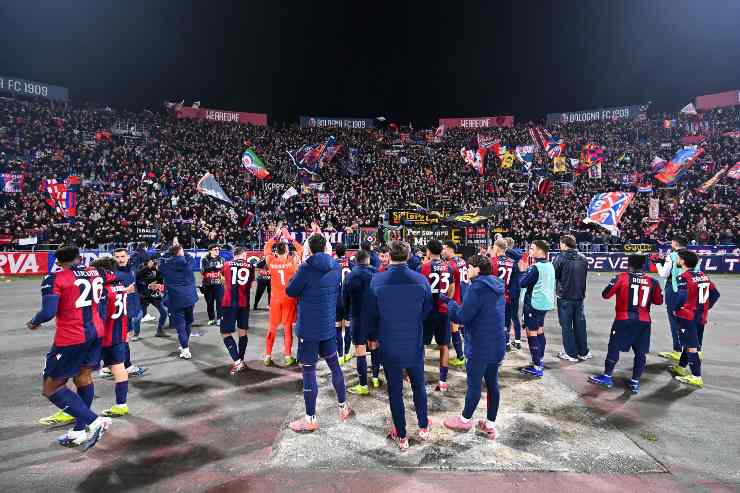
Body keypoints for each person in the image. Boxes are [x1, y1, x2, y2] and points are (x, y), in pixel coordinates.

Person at [27, 245, 112, 449]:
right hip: (96, 332)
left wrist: (34, 321)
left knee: (51, 387)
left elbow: (48, 311)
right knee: (83, 378)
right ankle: (79, 431)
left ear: (57, 262)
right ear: (80, 258)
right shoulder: (96, 272)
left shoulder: (55, 278)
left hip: (71, 337)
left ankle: (95, 421)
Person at [365, 240, 433, 450]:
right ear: (408, 255)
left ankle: (402, 436)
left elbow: (372, 313)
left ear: (389, 256)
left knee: (395, 390)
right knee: (418, 385)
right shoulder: (421, 280)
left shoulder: (377, 280)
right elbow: (426, 309)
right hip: (413, 339)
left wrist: (372, 337)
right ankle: (423, 426)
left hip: (389, 340)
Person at [286, 234, 352, 432]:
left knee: (308, 372)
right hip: (327, 326)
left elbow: (291, 291)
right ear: (326, 247)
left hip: (309, 328)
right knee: (334, 366)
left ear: (309, 249)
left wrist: (297, 270)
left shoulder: (305, 268)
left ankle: (310, 419)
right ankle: (343, 406)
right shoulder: (336, 266)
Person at [441, 255, 505, 439]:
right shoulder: (497, 284)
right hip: (497, 341)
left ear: (477, 269)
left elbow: (462, 316)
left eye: (469, 267)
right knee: (492, 383)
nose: (466, 270)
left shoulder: (477, 288)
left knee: (474, 384)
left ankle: (464, 419)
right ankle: (490, 424)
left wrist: (450, 303)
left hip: (480, 344)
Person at [588, 255, 663, 394]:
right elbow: (659, 301)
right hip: (644, 321)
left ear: (629, 264)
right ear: (644, 265)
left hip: (624, 319)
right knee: (640, 352)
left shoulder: (621, 277)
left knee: (614, 347)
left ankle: (607, 376)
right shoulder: (653, 281)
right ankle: (635, 382)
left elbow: (606, 294)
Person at [668, 250, 720, 388]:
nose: (677, 261)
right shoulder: (703, 276)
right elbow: (715, 294)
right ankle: (681, 367)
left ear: (683, 262)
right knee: (691, 342)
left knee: (692, 347)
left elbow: (682, 296)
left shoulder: (684, 277)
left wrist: (675, 308)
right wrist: (705, 308)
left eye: (678, 259)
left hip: (687, 316)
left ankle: (696, 377)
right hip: (700, 316)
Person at [91, 257, 134, 416]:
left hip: (102, 336)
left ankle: (76, 409)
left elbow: (100, 314)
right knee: (119, 368)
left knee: (82, 372)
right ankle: (121, 405)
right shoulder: (119, 284)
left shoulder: (102, 288)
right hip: (118, 334)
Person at [262, 227, 302, 366]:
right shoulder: (292, 261)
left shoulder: (271, 261)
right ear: (286, 250)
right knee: (287, 328)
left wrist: (276, 236)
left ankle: (267, 356)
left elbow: (267, 247)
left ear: (276, 251)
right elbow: (301, 250)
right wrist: (289, 237)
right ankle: (287, 356)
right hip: (289, 299)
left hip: (275, 299)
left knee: (272, 328)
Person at [420, 239, 456, 391]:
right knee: (444, 345)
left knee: (420, 345)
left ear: (428, 251)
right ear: (441, 251)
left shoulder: (425, 267)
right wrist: (446, 302)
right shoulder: (449, 267)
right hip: (443, 310)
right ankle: (442, 381)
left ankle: (419, 377)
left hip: (428, 311)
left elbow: (421, 288)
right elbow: (452, 289)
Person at [518, 240, 556, 378]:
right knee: (539, 330)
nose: (530, 251)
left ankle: (536, 365)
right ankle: (540, 359)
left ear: (541, 251)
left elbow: (523, 283)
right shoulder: (550, 265)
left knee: (531, 332)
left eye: (532, 248)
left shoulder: (536, 267)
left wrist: (522, 271)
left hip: (534, 304)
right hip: (545, 304)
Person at [344, 250, 379, 395]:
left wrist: (347, 314)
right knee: (375, 345)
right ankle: (376, 378)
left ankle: (363, 385)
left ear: (356, 261)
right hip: (376, 316)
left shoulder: (351, 276)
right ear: (368, 260)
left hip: (358, 317)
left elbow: (344, 298)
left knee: (360, 350)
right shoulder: (377, 273)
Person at [552, 235, 591, 362]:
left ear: (564, 244)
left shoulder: (560, 257)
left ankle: (570, 353)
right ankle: (583, 351)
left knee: (566, 325)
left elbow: (555, 275)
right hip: (579, 296)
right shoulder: (583, 258)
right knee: (580, 324)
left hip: (564, 296)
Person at [108, 249, 146, 376]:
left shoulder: (131, 269)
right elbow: (105, 292)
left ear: (128, 257)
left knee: (119, 339)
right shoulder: (113, 274)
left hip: (129, 309)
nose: (120, 259)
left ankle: (109, 366)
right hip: (120, 312)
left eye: (123, 256)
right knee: (123, 340)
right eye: (117, 257)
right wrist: (124, 291)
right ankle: (127, 366)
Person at [160, 243, 198, 360]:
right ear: (181, 252)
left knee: (180, 326)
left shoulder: (165, 266)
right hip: (189, 299)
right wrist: (181, 251)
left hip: (174, 300)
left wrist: (171, 252)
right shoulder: (188, 263)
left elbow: (161, 259)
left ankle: (185, 348)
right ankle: (184, 346)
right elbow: (189, 256)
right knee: (188, 323)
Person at [655, 235, 691, 361]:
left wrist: (658, 263)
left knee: (674, 320)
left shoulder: (672, 256)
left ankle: (677, 350)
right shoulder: (693, 256)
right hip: (690, 290)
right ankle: (691, 349)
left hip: (674, 290)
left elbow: (664, 274)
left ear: (675, 243)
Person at [220, 247, 255, 375]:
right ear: (242, 255)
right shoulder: (250, 266)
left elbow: (223, 277)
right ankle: (241, 359)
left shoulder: (227, 264)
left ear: (235, 255)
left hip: (229, 303)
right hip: (244, 303)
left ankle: (237, 361)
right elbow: (251, 283)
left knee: (225, 333)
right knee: (242, 332)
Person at [442, 240, 467, 367]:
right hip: (464, 297)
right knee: (462, 326)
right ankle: (467, 353)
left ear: (451, 249)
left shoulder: (450, 265)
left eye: (445, 248)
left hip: (456, 298)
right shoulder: (462, 261)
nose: (443, 250)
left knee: (454, 327)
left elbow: (448, 285)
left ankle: (461, 356)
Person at [489, 239, 514, 351]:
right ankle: (506, 342)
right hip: (507, 297)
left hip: (494, 297)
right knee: (506, 321)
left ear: (498, 248)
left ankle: (497, 344)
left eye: (494, 247)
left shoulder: (492, 261)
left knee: (494, 322)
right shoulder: (512, 262)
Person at [136, 256, 169, 337]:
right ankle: (135, 334)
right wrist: (147, 267)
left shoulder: (156, 270)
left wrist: (158, 284)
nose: (154, 262)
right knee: (138, 317)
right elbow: (137, 276)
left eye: (155, 261)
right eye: (152, 261)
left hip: (153, 296)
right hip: (143, 296)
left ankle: (160, 331)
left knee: (164, 312)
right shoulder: (141, 268)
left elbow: (160, 282)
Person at [334, 243, 353, 364]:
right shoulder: (351, 263)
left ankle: (340, 355)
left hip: (336, 299)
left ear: (335, 252)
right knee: (348, 327)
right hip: (348, 299)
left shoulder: (332, 263)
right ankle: (346, 353)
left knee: (337, 329)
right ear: (345, 252)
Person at [504, 237, 523, 349]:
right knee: (515, 316)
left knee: (506, 318)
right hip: (516, 290)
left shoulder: (506, 258)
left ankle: (506, 343)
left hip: (507, 292)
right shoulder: (517, 256)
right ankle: (518, 340)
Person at [201, 244, 225, 326]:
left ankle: (219, 318)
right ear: (210, 250)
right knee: (209, 302)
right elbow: (203, 271)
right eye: (215, 249)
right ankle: (211, 318)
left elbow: (224, 271)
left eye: (218, 249)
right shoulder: (204, 259)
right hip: (208, 284)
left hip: (219, 284)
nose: (217, 251)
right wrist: (216, 267)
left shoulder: (222, 259)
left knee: (220, 302)